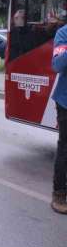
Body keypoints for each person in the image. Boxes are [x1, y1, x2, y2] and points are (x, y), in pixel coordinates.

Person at [51, 24, 67, 214]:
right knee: (65, 146)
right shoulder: (63, 33)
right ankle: (60, 193)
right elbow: (57, 64)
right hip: (65, 101)